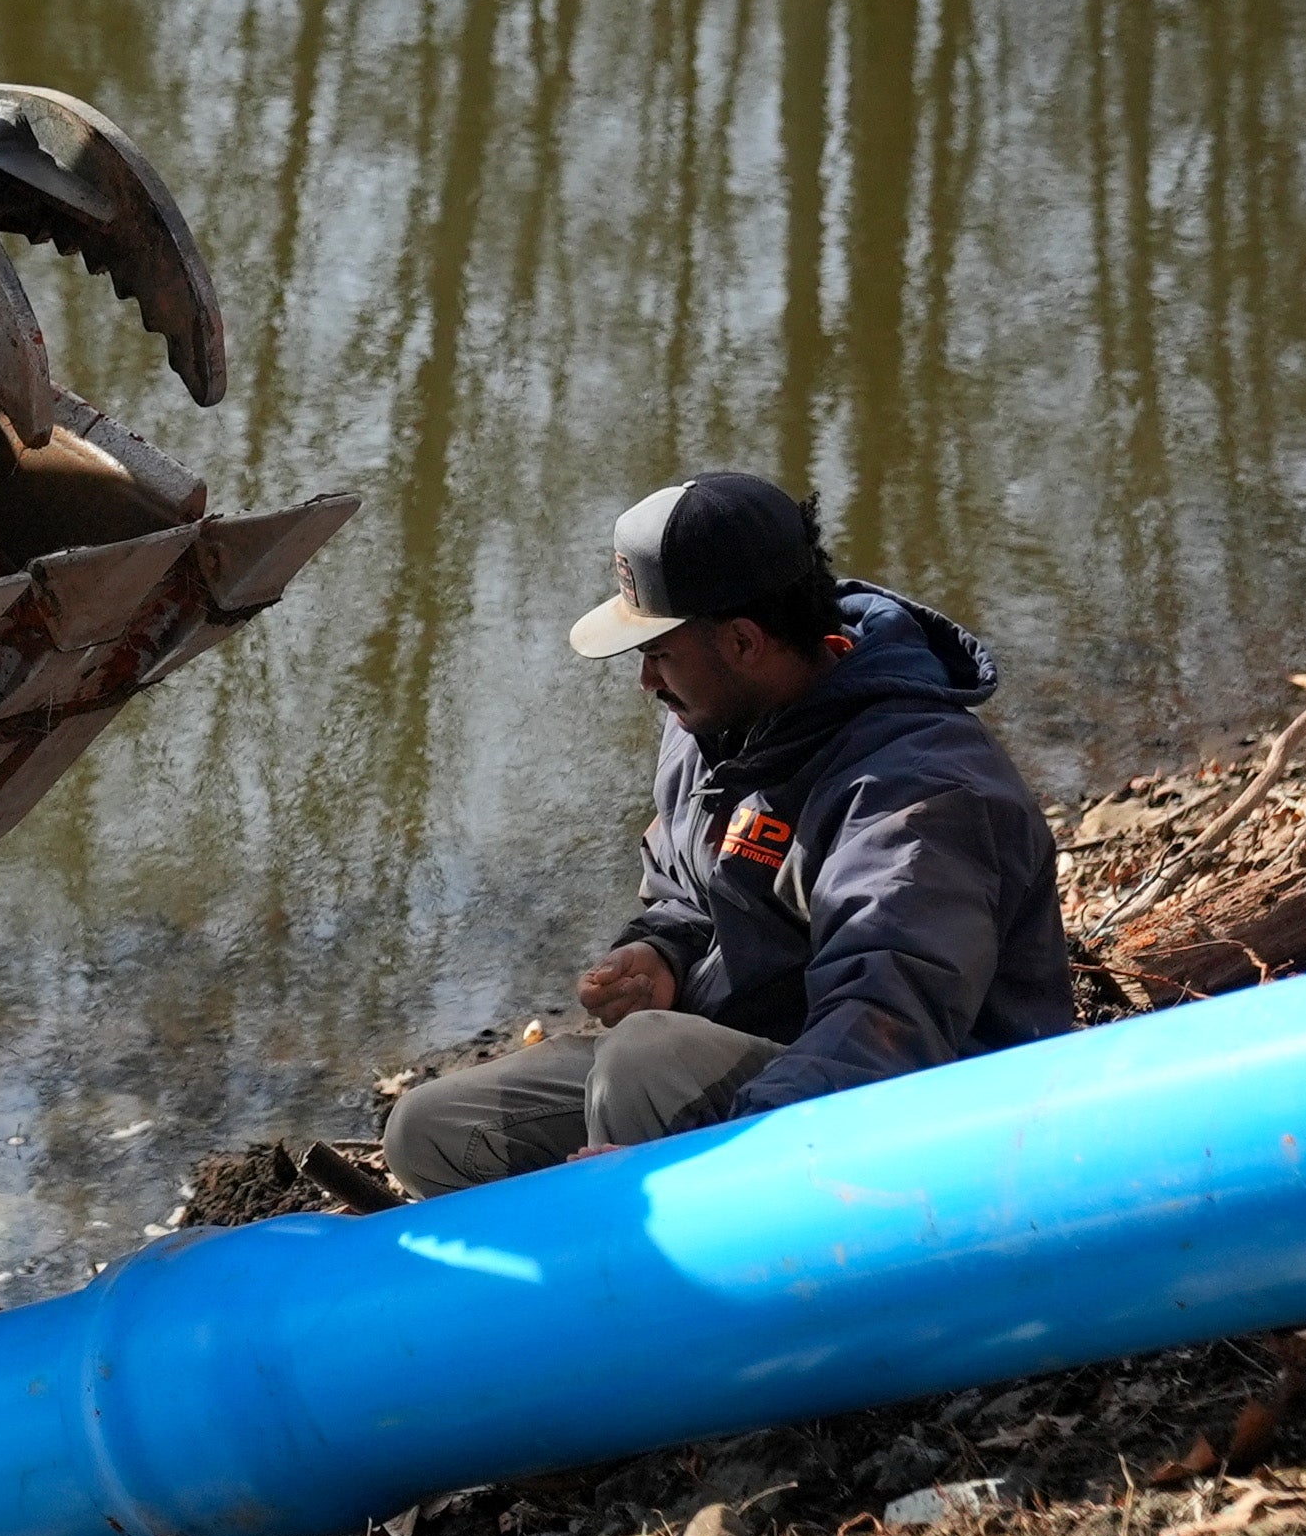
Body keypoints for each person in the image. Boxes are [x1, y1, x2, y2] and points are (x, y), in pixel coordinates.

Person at [380, 470, 1074, 1198]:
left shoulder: (919, 790)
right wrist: (664, 952)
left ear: (744, 641)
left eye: (660, 653)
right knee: (429, 1129)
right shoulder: (710, 725)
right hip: (761, 1062)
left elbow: (884, 1024)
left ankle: (666, 1288)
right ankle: (567, 1281)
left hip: (932, 1123)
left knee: (642, 1065)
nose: (646, 681)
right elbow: (686, 893)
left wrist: (707, 1170)